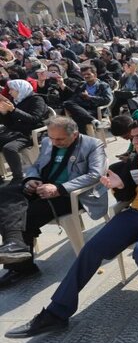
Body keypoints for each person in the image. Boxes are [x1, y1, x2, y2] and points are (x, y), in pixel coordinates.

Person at [6, 119, 138, 338]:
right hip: (134, 214)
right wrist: (118, 188)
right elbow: (127, 196)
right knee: (90, 250)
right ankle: (56, 314)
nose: (135, 141)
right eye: (133, 137)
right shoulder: (134, 158)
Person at [0, 117, 107, 287]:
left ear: (75, 134)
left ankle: (22, 267)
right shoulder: (49, 142)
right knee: (5, 197)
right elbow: (36, 165)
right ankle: (16, 245)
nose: (54, 142)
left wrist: (60, 189)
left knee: (26, 214)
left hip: (72, 195)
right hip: (43, 186)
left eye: (60, 139)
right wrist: (32, 179)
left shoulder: (92, 145)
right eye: (51, 138)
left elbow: (95, 175)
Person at [0, 80, 49, 182]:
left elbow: (34, 119)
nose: (9, 92)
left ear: (20, 89)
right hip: (15, 132)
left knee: (9, 148)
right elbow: (9, 124)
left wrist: (13, 110)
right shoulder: (16, 100)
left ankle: (18, 177)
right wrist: (4, 113)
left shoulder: (37, 99)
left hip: (30, 133)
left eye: (12, 89)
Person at [59, 65, 113, 134]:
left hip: (97, 109)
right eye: (84, 74)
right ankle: (94, 121)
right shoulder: (82, 85)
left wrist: (90, 97)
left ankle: (83, 139)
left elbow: (107, 99)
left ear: (95, 74)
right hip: (84, 109)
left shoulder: (103, 85)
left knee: (78, 117)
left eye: (88, 74)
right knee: (67, 103)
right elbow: (74, 97)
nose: (86, 76)